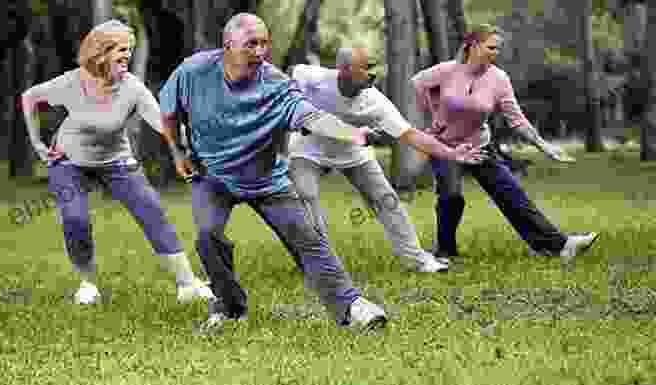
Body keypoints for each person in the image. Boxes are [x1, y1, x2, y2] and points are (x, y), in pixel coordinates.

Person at [159, 13, 392, 330]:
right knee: (207, 237)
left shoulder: (277, 85)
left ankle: (352, 307)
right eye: (250, 44)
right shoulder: (193, 72)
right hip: (212, 175)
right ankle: (229, 308)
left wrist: (355, 134)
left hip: (266, 180)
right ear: (227, 45)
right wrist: (177, 153)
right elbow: (169, 113)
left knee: (308, 239)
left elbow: (312, 117)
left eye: (264, 43)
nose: (260, 51)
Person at [21, 20, 215, 304]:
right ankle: (87, 284)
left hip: (116, 161)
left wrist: (191, 142)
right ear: (101, 53)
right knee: (75, 219)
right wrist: (37, 143)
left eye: (130, 50)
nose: (127, 56)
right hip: (69, 160)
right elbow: (29, 97)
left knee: (151, 210)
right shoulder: (71, 82)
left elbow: (163, 122)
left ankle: (187, 284)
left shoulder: (132, 88)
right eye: (121, 50)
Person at [410, 24, 599, 264]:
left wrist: (545, 146)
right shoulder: (447, 71)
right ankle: (445, 250)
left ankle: (560, 245)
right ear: (473, 45)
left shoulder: (499, 79)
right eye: (491, 47)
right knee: (451, 195)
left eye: (498, 49)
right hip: (445, 147)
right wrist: (432, 110)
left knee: (511, 193)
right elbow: (417, 83)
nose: (495, 53)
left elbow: (516, 120)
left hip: (479, 146)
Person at [286, 46, 484, 273]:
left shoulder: (375, 101)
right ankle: (319, 263)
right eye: (366, 68)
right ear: (344, 69)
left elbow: (410, 135)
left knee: (387, 200)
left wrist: (451, 153)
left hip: (353, 152)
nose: (373, 73)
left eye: (374, 67)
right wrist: (297, 108)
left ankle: (417, 260)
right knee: (305, 194)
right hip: (308, 149)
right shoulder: (316, 78)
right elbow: (291, 72)